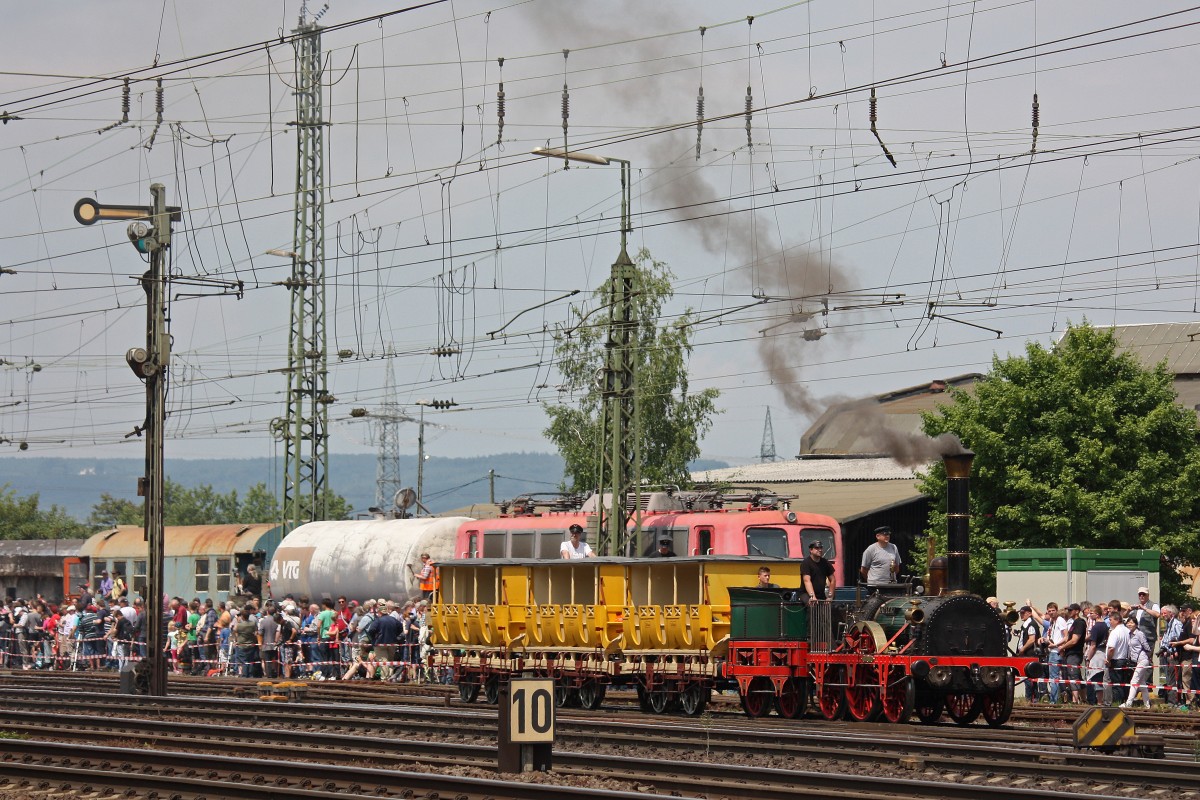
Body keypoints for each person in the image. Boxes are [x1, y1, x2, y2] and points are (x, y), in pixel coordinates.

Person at [1122, 617, 1153, 709]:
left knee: (1134, 681)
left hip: (1142, 660)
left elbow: (1147, 647)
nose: (1129, 624)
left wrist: (1148, 656)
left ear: (1136, 624)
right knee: (1142, 684)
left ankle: (1128, 703)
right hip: (1136, 661)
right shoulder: (1129, 634)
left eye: (1131, 623)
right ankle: (1147, 705)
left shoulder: (1139, 634)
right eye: (1128, 623)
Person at [1059, 603, 1087, 704]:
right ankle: (1084, 699)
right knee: (1078, 677)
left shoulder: (1079, 622)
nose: (1069, 612)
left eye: (1071, 610)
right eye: (1069, 610)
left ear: (1077, 611)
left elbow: (1074, 640)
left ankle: (1075, 701)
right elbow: (1068, 638)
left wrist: (1063, 647)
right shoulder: (1074, 623)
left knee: (1073, 676)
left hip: (1074, 653)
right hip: (1070, 653)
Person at [1105, 609, 1132, 706]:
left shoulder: (1115, 632)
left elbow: (1111, 648)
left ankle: (1117, 703)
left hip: (1116, 660)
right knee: (1123, 683)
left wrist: (1108, 659)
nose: (1109, 622)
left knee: (1116, 684)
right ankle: (1124, 702)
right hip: (1125, 660)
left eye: (1111, 620)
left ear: (1117, 620)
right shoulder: (1126, 631)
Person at [1014, 606, 1041, 701]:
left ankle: (1030, 699)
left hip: (1029, 654)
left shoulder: (1031, 624)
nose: (1021, 615)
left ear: (1029, 613)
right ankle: (1032, 698)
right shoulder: (1026, 625)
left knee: (1028, 677)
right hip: (1026, 654)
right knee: (1028, 678)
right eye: (1021, 613)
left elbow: (1032, 639)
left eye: (1023, 613)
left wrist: (1022, 649)